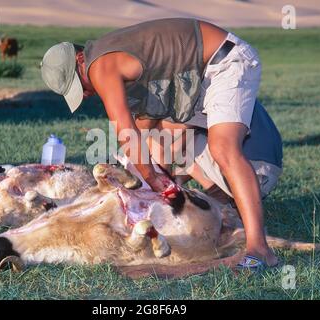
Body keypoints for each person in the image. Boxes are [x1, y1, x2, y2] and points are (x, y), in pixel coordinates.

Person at [40, 18, 283, 269]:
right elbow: (143, 130)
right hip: (204, 75)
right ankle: (216, 202)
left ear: (81, 59)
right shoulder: (125, 56)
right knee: (158, 139)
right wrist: (130, 173)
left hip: (224, 64)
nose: (87, 93)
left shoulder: (100, 64)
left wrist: (152, 178)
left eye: (80, 84)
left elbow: (126, 132)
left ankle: (260, 249)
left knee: (223, 148)